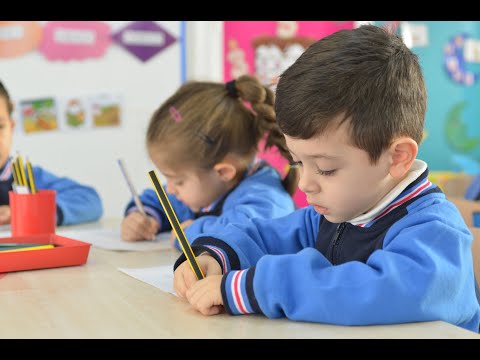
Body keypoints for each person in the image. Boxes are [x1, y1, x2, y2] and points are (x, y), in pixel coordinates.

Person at [172, 25, 480, 332]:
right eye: (298, 164)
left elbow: (372, 290)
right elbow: (265, 236)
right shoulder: (337, 215)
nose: (306, 184)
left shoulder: (436, 232)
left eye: (326, 169)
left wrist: (253, 288)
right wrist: (216, 256)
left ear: (396, 156)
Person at [121, 75, 297, 249]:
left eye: (178, 181)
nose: (170, 189)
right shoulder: (207, 188)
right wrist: (143, 218)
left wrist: (191, 233)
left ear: (223, 172)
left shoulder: (265, 201)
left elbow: (243, 238)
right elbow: (161, 202)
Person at [0, 80, 103, 225]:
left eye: (0, 126)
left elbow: (90, 201)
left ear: (11, 127)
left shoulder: (26, 177)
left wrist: (30, 212)